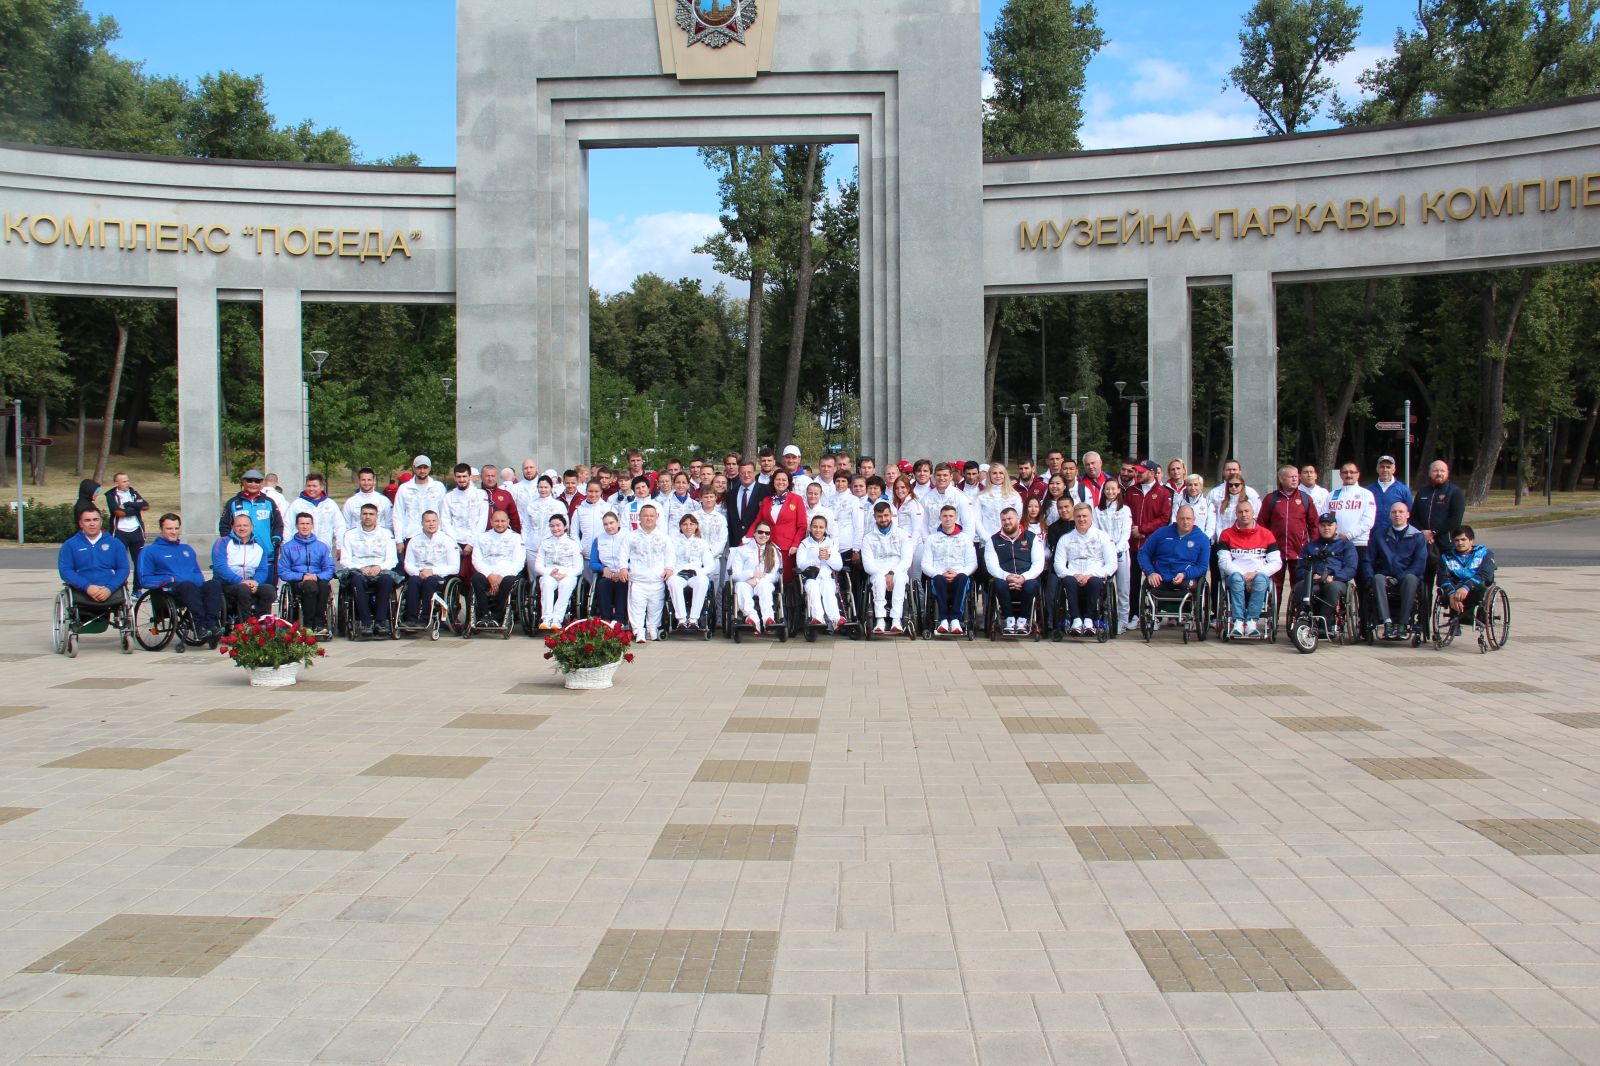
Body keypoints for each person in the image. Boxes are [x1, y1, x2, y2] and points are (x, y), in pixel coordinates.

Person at [137, 513, 224, 638]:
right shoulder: (149, 551)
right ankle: (199, 626)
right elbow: (144, 580)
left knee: (213, 584)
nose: (173, 532)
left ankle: (212, 624)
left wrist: (198, 582)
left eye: (176, 528)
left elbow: (197, 573)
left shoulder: (186, 549)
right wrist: (168, 579)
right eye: (169, 528)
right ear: (161, 529)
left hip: (193, 590)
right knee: (188, 586)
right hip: (169, 591)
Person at [1215, 499, 1281, 638]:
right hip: (1235, 576)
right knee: (1237, 579)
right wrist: (1242, 574)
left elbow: (1276, 562)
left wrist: (1256, 573)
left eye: (1246, 511)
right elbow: (1223, 561)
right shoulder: (1226, 534)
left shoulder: (1267, 534)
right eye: (1240, 512)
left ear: (1253, 513)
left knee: (1261, 579)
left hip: (1259, 576)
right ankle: (1238, 622)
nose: (1244, 514)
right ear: (1236, 514)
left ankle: (1251, 622)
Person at [1137, 505, 1211, 624]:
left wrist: (1185, 574)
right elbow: (1143, 553)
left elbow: (1202, 567)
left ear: (1194, 520)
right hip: (1161, 576)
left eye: (1188, 518)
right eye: (1182, 518)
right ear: (1176, 519)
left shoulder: (1202, 539)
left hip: (1185, 578)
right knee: (1152, 585)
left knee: (1192, 586)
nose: (1185, 522)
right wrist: (1150, 572)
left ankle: (1187, 613)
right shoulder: (1161, 533)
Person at [1052, 502, 1117, 637]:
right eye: (1078, 516)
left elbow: (1112, 564)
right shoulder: (1065, 539)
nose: (1082, 519)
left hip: (1095, 576)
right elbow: (1058, 565)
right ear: (1074, 518)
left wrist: (1090, 575)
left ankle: (1088, 620)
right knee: (1068, 581)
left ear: (1091, 516)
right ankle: (1076, 620)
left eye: (1085, 516)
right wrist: (1074, 575)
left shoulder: (1102, 537)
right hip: (1073, 576)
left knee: (1094, 582)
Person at [59, 504, 132, 624]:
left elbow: (123, 569)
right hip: (82, 591)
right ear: (81, 523)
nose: (92, 524)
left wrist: (109, 588)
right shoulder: (70, 545)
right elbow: (65, 571)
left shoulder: (115, 543)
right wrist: (87, 587)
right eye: (87, 520)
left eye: (95, 519)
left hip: (110, 589)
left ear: (101, 522)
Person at [1258, 465, 1319, 608]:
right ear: (1281, 478)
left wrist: (1314, 547)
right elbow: (1262, 525)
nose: (1295, 479)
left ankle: (1296, 617)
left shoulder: (1305, 499)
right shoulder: (1271, 499)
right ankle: (1273, 617)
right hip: (1275, 551)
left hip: (1299, 551)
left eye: (1296, 476)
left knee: (1298, 586)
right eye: (1291, 476)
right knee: (1275, 586)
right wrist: (1264, 547)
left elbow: (1314, 525)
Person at [1366, 501, 1427, 640]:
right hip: (1385, 575)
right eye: (1394, 512)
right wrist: (1369, 577)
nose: (1397, 515)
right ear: (1390, 515)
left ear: (1407, 515)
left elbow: (1419, 564)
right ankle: (1387, 622)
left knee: (1411, 578)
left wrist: (1399, 578)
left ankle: (1403, 624)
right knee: (1377, 579)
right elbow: (1369, 560)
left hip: (1407, 576)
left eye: (1400, 512)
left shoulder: (1417, 536)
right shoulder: (1379, 535)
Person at [341, 503, 401, 636]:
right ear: (360, 516)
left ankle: (381, 621)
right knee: (356, 580)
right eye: (365, 514)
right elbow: (345, 560)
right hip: (358, 571)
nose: (367, 517)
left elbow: (392, 559)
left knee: (387, 579)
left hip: (380, 571)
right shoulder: (350, 535)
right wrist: (360, 568)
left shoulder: (386, 534)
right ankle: (365, 621)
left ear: (376, 516)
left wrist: (380, 567)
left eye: (371, 514)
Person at [985, 505, 1045, 635]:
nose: (1007, 522)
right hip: (1004, 577)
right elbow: (992, 566)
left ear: (1018, 519)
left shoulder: (1032, 538)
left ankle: (1023, 619)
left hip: (1027, 577)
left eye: (1010, 519)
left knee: (1031, 586)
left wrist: (1024, 577)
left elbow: (1038, 563)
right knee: (998, 584)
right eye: (1003, 520)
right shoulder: (993, 540)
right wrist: (1008, 576)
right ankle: (1009, 619)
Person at [1293, 514, 1357, 634]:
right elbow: (1300, 568)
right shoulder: (1310, 546)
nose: (1326, 528)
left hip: (1335, 580)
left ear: (1336, 527)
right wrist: (1310, 576)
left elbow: (1351, 568)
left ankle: (1325, 623)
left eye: (1329, 525)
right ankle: (1304, 618)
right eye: (1323, 525)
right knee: (1302, 586)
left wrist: (1334, 577)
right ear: (1318, 527)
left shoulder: (1346, 546)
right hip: (1314, 579)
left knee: (1332, 588)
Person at [619, 501, 672, 640]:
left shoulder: (663, 537)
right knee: (637, 606)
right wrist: (623, 568)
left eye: (651, 516)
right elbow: (623, 554)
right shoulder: (631, 536)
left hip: (657, 579)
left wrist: (669, 568)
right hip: (638, 579)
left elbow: (670, 555)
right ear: (639, 517)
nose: (648, 518)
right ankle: (638, 631)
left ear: (656, 517)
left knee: (656, 605)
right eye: (645, 516)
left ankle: (652, 629)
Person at [922, 503, 977, 634]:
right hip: (940, 575)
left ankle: (956, 619)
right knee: (938, 579)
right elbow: (925, 564)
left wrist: (958, 573)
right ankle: (943, 619)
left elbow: (973, 563)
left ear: (956, 518)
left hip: (959, 575)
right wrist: (939, 573)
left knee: (963, 578)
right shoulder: (932, 539)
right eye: (945, 516)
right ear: (940, 518)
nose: (948, 519)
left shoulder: (965, 539)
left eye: (951, 516)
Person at [219, 469, 284, 580]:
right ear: (243, 482)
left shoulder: (269, 503)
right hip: (240, 557)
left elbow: (278, 525)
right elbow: (224, 526)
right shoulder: (233, 503)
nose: (253, 484)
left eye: (257, 481)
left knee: (267, 591)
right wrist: (230, 544)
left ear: (262, 483)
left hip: (266, 555)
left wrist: (275, 541)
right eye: (249, 480)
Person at [862, 500, 915, 634]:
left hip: (898, 570)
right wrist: (883, 574)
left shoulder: (902, 534)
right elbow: (868, 564)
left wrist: (892, 572)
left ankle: (896, 619)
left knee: (900, 578)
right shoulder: (868, 538)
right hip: (878, 571)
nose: (883, 519)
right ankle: (880, 619)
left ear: (891, 515)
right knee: (879, 579)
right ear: (874, 517)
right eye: (879, 516)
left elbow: (907, 559)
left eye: (886, 515)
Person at [278, 512, 334, 636]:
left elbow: (329, 568)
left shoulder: (321, 547)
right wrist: (302, 576)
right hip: (298, 581)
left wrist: (317, 577)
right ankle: (308, 624)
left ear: (312, 525)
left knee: (325, 586)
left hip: (317, 578)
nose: (305, 526)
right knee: (310, 586)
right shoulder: (288, 547)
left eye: (307, 523)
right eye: (302, 523)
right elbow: (283, 571)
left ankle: (319, 623)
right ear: (296, 526)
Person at [212, 512, 276, 621]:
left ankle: (262, 625)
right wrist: (240, 581)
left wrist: (256, 582)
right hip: (228, 585)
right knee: (243, 589)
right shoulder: (222, 542)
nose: (242, 528)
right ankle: (246, 627)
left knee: (269, 590)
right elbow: (220, 567)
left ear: (252, 527)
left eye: (245, 525)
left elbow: (262, 569)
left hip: (251, 583)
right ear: (232, 527)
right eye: (238, 526)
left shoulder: (260, 545)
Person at [401, 510, 458, 629]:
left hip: (439, 576)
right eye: (427, 521)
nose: (431, 524)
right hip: (419, 573)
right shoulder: (414, 541)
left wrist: (432, 572)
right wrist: (419, 572)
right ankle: (411, 618)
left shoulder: (447, 540)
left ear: (438, 522)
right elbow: (407, 564)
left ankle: (425, 618)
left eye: (433, 521)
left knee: (430, 581)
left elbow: (455, 567)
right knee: (412, 581)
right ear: (422, 523)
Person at [1410, 460, 1466, 581]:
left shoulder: (1455, 492)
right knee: (1424, 580)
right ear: (1429, 473)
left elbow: (1455, 520)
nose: (1439, 473)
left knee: (1447, 580)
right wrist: (1423, 532)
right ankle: (1425, 600)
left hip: (1447, 544)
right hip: (1425, 543)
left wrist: (1434, 532)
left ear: (1447, 473)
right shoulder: (1422, 492)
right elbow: (1413, 517)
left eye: (1442, 471)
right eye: (1435, 470)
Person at [1124, 460, 1174, 592]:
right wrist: (1133, 529)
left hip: (1153, 544)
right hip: (1133, 544)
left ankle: (1153, 609)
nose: (1137, 474)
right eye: (1137, 471)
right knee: (1132, 581)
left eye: (1141, 471)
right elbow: (1125, 514)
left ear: (1152, 473)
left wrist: (1142, 529)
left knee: (1155, 580)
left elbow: (1164, 519)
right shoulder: (1130, 491)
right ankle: (1133, 612)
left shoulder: (1164, 493)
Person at [471, 508, 524, 627]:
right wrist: (490, 575)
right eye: (496, 521)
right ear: (491, 521)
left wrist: (500, 577)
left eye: (503, 521)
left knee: (508, 581)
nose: (500, 524)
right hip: (487, 574)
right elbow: (477, 559)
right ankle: (484, 615)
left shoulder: (516, 538)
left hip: (506, 574)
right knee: (476, 578)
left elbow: (518, 562)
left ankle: (498, 615)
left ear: (508, 521)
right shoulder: (482, 537)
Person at [1095, 479, 1133, 632]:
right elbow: (1097, 532)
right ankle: (1105, 617)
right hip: (1103, 554)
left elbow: (1126, 533)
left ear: (1118, 490)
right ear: (1103, 491)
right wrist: (1106, 549)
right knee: (1104, 586)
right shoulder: (1098, 510)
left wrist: (1117, 548)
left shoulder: (1125, 510)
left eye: (1113, 489)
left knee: (1123, 588)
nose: (1110, 492)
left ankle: (1123, 620)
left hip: (1121, 552)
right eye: (1107, 489)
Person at [535, 512, 585, 629]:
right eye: (552, 526)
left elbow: (579, 568)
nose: (555, 528)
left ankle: (557, 619)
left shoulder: (573, 544)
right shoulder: (545, 543)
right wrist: (549, 572)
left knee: (566, 585)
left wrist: (565, 574)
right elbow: (538, 565)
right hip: (549, 573)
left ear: (565, 526)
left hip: (567, 574)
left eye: (558, 525)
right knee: (546, 583)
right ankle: (546, 618)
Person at [729, 522, 781, 631]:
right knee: (740, 586)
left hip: (764, 583)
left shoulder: (774, 551)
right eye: (760, 532)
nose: (764, 535)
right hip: (746, 583)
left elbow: (775, 575)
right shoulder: (742, 550)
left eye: (767, 533)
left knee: (764, 584)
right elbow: (735, 575)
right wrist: (751, 574)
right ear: (754, 533)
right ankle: (752, 618)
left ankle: (769, 618)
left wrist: (757, 580)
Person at [1438, 525, 1496, 623]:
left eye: (1463, 539)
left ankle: (1469, 616)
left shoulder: (1484, 553)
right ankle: (1455, 619)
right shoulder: (1446, 557)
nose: (1460, 543)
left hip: (1476, 587)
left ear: (1471, 540)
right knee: (1448, 589)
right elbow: (1441, 578)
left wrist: (1466, 587)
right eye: (1456, 540)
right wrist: (1452, 595)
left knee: (1480, 588)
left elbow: (1486, 574)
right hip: (1455, 590)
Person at [668, 513, 715, 630]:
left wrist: (699, 572)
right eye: (685, 524)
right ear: (680, 527)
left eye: (691, 524)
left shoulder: (702, 543)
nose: (688, 527)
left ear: (696, 526)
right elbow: (669, 560)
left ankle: (694, 619)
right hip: (679, 573)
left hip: (695, 574)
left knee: (703, 581)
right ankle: (681, 620)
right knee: (673, 581)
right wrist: (673, 572)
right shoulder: (672, 542)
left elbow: (710, 565)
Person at [796, 514, 844, 629]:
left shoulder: (831, 543)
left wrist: (828, 557)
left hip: (826, 578)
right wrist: (816, 558)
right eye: (815, 527)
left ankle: (835, 619)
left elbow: (839, 566)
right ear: (810, 527)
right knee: (813, 587)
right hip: (810, 578)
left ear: (825, 529)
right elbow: (800, 565)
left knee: (828, 588)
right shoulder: (804, 544)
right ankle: (818, 617)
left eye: (821, 527)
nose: (818, 530)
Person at [287, 472, 346, 563]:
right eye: (309, 486)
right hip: (300, 550)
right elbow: (287, 525)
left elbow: (339, 526)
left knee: (323, 576)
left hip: (324, 550)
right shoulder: (297, 504)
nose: (311, 489)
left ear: (322, 487)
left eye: (314, 486)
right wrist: (286, 546)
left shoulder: (330, 504)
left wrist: (340, 546)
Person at [1328, 462, 1377, 571]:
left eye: (1352, 472)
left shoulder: (1366, 494)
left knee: (1363, 581)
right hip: (1336, 543)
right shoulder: (1332, 495)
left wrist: (1349, 535)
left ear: (1358, 474)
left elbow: (1368, 521)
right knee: (1336, 580)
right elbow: (1324, 517)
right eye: (1345, 472)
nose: (1348, 475)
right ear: (1340, 475)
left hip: (1359, 544)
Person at [392, 456, 447, 550]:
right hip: (410, 535)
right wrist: (399, 540)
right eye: (419, 467)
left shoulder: (438, 487)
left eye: (425, 467)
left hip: (434, 536)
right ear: (413, 468)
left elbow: (444, 513)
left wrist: (444, 534)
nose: (422, 471)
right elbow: (397, 514)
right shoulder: (404, 488)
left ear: (430, 468)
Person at [758, 468, 807, 571]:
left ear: (788, 482)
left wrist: (795, 544)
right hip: (768, 546)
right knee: (768, 576)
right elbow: (758, 522)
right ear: (773, 481)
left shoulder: (796, 499)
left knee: (785, 580)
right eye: (778, 479)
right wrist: (747, 538)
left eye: (784, 480)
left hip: (788, 548)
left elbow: (802, 526)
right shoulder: (767, 500)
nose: (781, 482)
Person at [522, 475, 567, 582]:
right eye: (540, 487)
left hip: (552, 546)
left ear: (551, 488)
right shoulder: (531, 505)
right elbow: (526, 526)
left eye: (546, 487)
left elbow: (565, 527)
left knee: (549, 577)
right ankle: (533, 597)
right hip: (532, 546)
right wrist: (524, 543)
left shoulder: (559, 505)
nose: (543, 490)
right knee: (534, 578)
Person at [443, 463, 488, 570]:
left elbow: (482, 520)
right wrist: (454, 543)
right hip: (456, 542)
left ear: (470, 477)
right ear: (454, 477)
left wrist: (472, 543)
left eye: (464, 476)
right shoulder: (448, 497)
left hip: (475, 542)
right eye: (459, 477)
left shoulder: (481, 495)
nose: (462, 479)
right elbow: (445, 520)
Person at [588, 511, 629, 624]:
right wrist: (603, 568)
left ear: (618, 523)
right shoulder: (598, 539)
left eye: (611, 523)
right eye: (605, 524)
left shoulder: (628, 536)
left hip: (624, 573)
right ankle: (606, 620)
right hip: (607, 574)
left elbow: (635, 559)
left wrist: (623, 570)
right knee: (603, 585)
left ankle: (619, 620)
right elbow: (593, 562)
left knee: (622, 584)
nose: (609, 526)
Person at [105, 471, 149, 571]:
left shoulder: (133, 493)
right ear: (116, 483)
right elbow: (119, 513)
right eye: (124, 481)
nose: (127, 483)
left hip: (136, 531)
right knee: (120, 561)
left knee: (139, 561)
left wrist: (128, 504)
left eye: (128, 481)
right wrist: (137, 508)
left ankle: (137, 586)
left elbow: (146, 506)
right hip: (120, 532)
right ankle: (121, 585)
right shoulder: (111, 495)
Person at [1206, 461, 1261, 535]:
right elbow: (1213, 520)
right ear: (1223, 472)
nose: (1231, 472)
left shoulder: (1251, 493)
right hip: (1221, 538)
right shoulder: (1214, 493)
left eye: (1234, 469)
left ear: (1240, 471)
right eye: (1228, 470)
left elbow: (1257, 516)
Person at [726, 458, 772, 546]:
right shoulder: (731, 494)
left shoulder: (766, 491)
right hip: (737, 543)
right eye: (743, 473)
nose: (746, 475)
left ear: (754, 473)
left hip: (758, 542)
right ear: (739, 474)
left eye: (749, 472)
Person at [574, 479, 616, 556]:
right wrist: (579, 548)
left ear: (601, 492)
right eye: (590, 491)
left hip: (604, 555)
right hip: (584, 554)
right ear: (586, 491)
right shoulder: (579, 510)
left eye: (596, 491)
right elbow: (574, 533)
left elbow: (616, 531)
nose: (593, 495)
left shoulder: (609, 508)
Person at [343, 468, 392, 533]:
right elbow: (346, 525)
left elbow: (389, 524)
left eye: (369, 480)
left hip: (379, 540)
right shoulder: (350, 502)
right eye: (363, 480)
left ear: (374, 481)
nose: (366, 483)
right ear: (359, 481)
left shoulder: (384, 501)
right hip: (357, 540)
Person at [1170, 474, 1217, 541]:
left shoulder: (1208, 504)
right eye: (1190, 485)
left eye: (1196, 485)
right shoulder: (1179, 503)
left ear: (1201, 486)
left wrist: (1203, 539)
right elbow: (1174, 522)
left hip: (1201, 541)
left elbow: (1211, 526)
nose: (1193, 488)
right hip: (1182, 540)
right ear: (1186, 486)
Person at [1367, 455, 1412, 519]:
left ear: (1393, 470)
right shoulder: (1369, 490)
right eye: (1382, 467)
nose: (1385, 470)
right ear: (1377, 469)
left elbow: (1409, 513)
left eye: (1388, 467)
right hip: (1373, 528)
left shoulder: (1403, 490)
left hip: (1394, 528)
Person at [481, 465, 522, 534]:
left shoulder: (505, 495)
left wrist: (517, 534)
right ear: (481, 477)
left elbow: (514, 518)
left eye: (493, 476)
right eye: (487, 476)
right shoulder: (476, 494)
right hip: (482, 538)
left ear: (496, 477)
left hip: (502, 538)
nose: (490, 479)